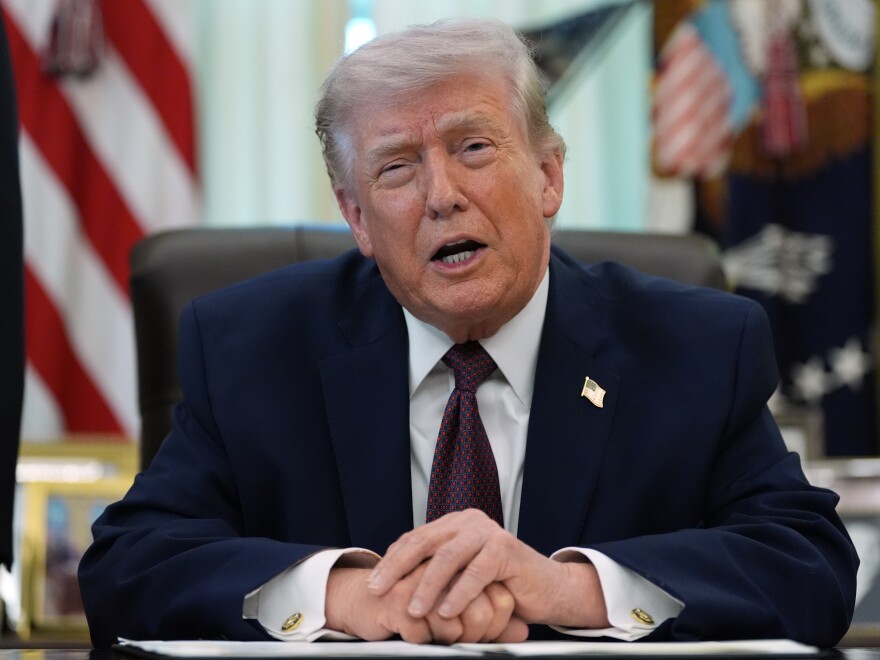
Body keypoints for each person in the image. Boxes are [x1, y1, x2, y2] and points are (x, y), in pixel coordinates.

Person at [78, 17, 857, 649]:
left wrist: (565, 587)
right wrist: (348, 595)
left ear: (548, 175)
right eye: (396, 168)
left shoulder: (694, 346)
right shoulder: (252, 349)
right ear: (356, 218)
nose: (442, 195)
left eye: (474, 148)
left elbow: (808, 567)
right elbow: (127, 567)